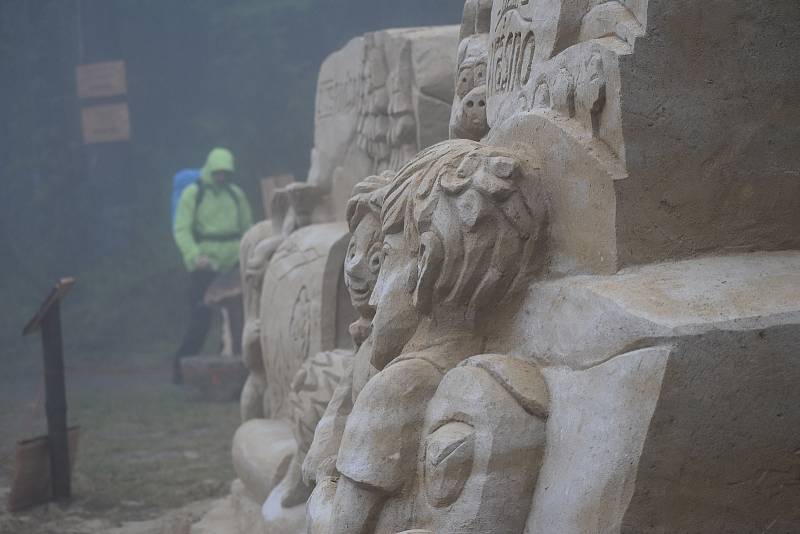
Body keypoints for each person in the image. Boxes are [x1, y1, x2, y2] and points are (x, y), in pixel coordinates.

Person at [172, 147, 253, 384]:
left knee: (236, 321)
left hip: (233, 266)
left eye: (225, 172)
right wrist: (194, 255)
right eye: (217, 172)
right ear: (210, 169)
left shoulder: (235, 194)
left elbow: (248, 227)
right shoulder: (193, 193)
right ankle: (180, 372)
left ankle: (231, 373)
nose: (221, 177)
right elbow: (182, 229)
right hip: (204, 267)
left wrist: (246, 256)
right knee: (200, 320)